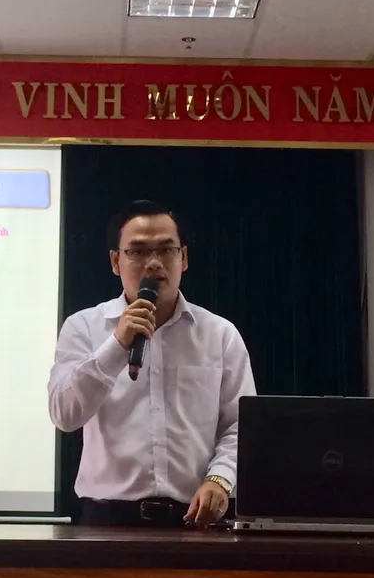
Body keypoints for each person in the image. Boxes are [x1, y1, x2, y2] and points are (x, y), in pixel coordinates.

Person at [48, 200, 257, 527]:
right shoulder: (83, 327)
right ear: (115, 261)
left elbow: (240, 425)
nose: (154, 262)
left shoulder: (220, 334)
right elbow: (64, 414)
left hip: (197, 520)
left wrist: (220, 479)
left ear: (183, 258)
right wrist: (117, 345)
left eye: (166, 250)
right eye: (138, 251)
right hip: (107, 522)